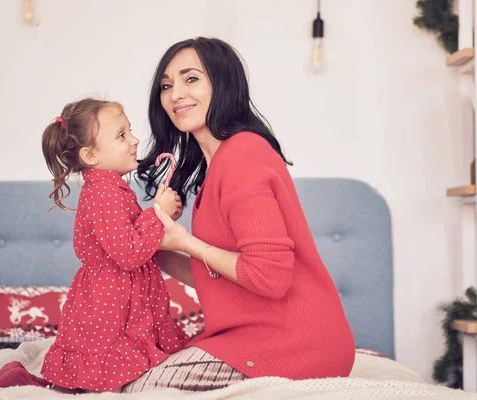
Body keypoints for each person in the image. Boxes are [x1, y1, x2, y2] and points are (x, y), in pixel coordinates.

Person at [124, 37, 355, 392]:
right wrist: (150, 251)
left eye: (191, 79)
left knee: (137, 389)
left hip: (294, 344)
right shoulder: (218, 164)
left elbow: (269, 276)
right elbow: (222, 273)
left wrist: (186, 241)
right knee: (124, 372)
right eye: (166, 86)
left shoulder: (241, 158)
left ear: (224, 84)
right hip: (260, 336)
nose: (174, 95)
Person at [39, 97, 189, 393]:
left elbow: (130, 238)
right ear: (90, 155)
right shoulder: (103, 193)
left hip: (120, 295)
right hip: (111, 302)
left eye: (130, 131)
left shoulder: (108, 187)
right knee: (109, 355)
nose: (134, 140)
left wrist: (161, 217)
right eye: (122, 135)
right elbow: (129, 253)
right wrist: (157, 213)